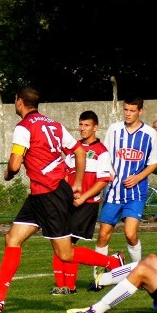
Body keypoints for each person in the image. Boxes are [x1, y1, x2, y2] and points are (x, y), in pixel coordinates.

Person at [0, 86, 89, 313]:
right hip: (42, 193)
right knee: (12, 238)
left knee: (65, 254)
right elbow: (79, 152)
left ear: (19, 101)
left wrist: (9, 173)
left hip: (49, 193)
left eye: (15, 100)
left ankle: (114, 264)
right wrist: (78, 182)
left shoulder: (24, 127)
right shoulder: (54, 124)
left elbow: (14, 164)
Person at [50, 110, 114, 296]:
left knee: (68, 243)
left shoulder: (102, 152)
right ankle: (63, 286)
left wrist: (84, 197)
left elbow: (102, 180)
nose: (83, 129)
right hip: (69, 202)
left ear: (96, 127)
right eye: (81, 125)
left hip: (87, 203)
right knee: (59, 242)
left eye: (87, 125)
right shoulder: (74, 150)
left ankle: (110, 263)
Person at [95, 98, 157, 263]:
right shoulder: (114, 129)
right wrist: (107, 174)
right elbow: (105, 155)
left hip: (135, 193)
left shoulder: (150, 133)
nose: (128, 114)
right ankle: (98, 275)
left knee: (130, 234)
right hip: (113, 192)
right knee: (103, 235)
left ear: (140, 111)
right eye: (126, 110)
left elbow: (154, 162)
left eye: (132, 110)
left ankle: (137, 269)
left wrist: (138, 177)